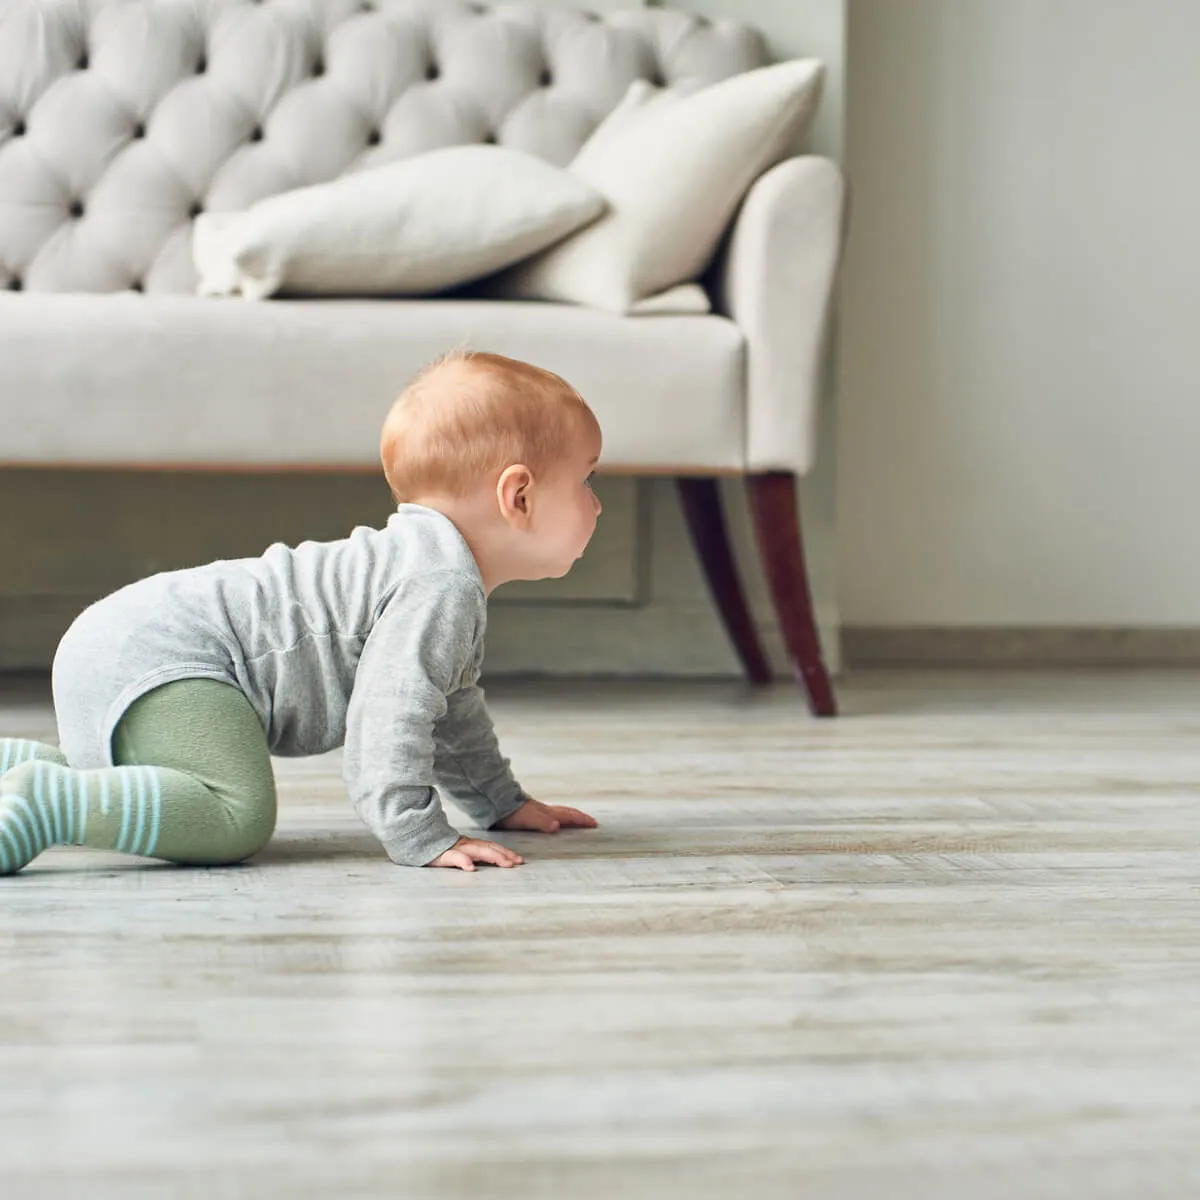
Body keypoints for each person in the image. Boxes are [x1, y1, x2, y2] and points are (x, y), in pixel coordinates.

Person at [0, 350, 602, 876]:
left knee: (147, 776)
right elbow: (391, 715)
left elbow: (451, 708)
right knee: (235, 815)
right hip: (168, 657)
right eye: (585, 482)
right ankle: (44, 804)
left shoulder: (430, 570)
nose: (597, 507)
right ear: (517, 497)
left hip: (119, 642)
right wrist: (419, 835)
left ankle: (16, 768)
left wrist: (499, 801)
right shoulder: (438, 583)